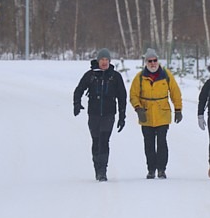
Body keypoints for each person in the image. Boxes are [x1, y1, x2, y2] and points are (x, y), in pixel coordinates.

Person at [73, 48, 127, 182]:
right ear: (98, 61)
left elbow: (122, 97)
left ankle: (103, 171)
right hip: (94, 114)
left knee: (104, 141)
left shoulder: (115, 77)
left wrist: (122, 116)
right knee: (96, 142)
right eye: (102, 60)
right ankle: (97, 168)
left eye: (106, 60)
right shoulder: (91, 75)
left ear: (109, 61)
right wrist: (77, 104)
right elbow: (79, 89)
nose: (104, 62)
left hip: (109, 115)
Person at [129, 48, 183, 179]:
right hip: (146, 115)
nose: (153, 63)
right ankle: (151, 169)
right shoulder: (140, 77)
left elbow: (175, 92)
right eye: (150, 61)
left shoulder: (166, 75)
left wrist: (178, 109)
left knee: (162, 142)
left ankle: (162, 169)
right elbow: (133, 95)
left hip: (162, 114)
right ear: (146, 62)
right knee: (149, 144)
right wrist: (138, 108)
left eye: (155, 60)